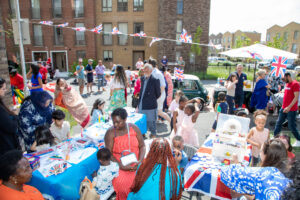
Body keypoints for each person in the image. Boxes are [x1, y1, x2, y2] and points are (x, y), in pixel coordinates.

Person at [220, 139, 290, 200]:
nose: (260, 153)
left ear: (266, 155)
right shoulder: (287, 174)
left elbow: (227, 173)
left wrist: (235, 163)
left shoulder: (265, 174)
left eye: (261, 151)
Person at [104, 108, 145, 200]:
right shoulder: (110, 133)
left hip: (137, 161)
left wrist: (140, 161)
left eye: (118, 122)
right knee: (124, 187)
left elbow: (142, 146)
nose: (115, 125)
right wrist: (121, 166)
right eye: (113, 122)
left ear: (125, 119)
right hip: (118, 164)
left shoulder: (133, 128)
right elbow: (109, 154)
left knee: (144, 183)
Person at [274, 72, 300, 147]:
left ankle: (299, 140)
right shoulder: (287, 84)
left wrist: (289, 107)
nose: (283, 80)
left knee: (291, 126)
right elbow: (287, 93)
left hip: (291, 109)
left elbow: (296, 97)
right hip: (283, 108)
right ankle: (275, 138)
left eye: (284, 78)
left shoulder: (295, 84)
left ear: (288, 76)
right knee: (278, 123)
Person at [138, 64, 161, 137]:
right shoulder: (142, 79)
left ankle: (153, 134)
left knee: (151, 121)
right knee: (142, 120)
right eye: (144, 69)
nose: (145, 70)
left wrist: (151, 98)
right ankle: (142, 133)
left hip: (151, 104)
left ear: (151, 71)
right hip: (142, 103)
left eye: (147, 69)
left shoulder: (155, 80)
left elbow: (158, 94)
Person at [0, 78, 20, 155]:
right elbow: (11, 127)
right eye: (3, 89)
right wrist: (15, 116)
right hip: (5, 146)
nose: (5, 91)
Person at [149, 58, 171, 123]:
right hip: (156, 95)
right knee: (155, 111)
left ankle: (172, 122)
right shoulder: (153, 72)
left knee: (159, 112)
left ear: (150, 65)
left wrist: (158, 95)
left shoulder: (157, 73)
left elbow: (163, 86)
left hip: (158, 95)